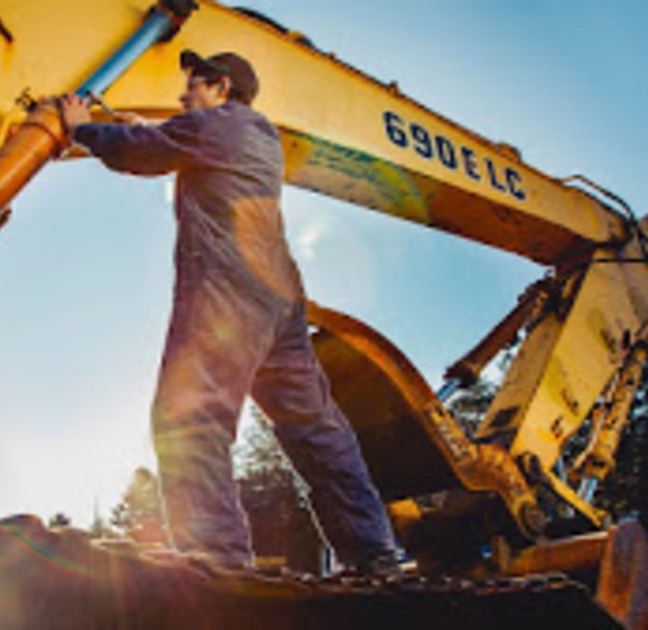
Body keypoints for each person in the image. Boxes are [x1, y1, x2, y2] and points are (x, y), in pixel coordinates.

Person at [59, 50, 400, 573]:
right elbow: (177, 141)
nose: (182, 97)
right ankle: (373, 553)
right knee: (313, 427)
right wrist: (159, 129)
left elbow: (141, 153)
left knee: (189, 415)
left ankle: (215, 559)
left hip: (228, 288)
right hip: (280, 301)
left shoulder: (215, 127)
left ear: (220, 86)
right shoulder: (255, 134)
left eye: (191, 88)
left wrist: (83, 129)